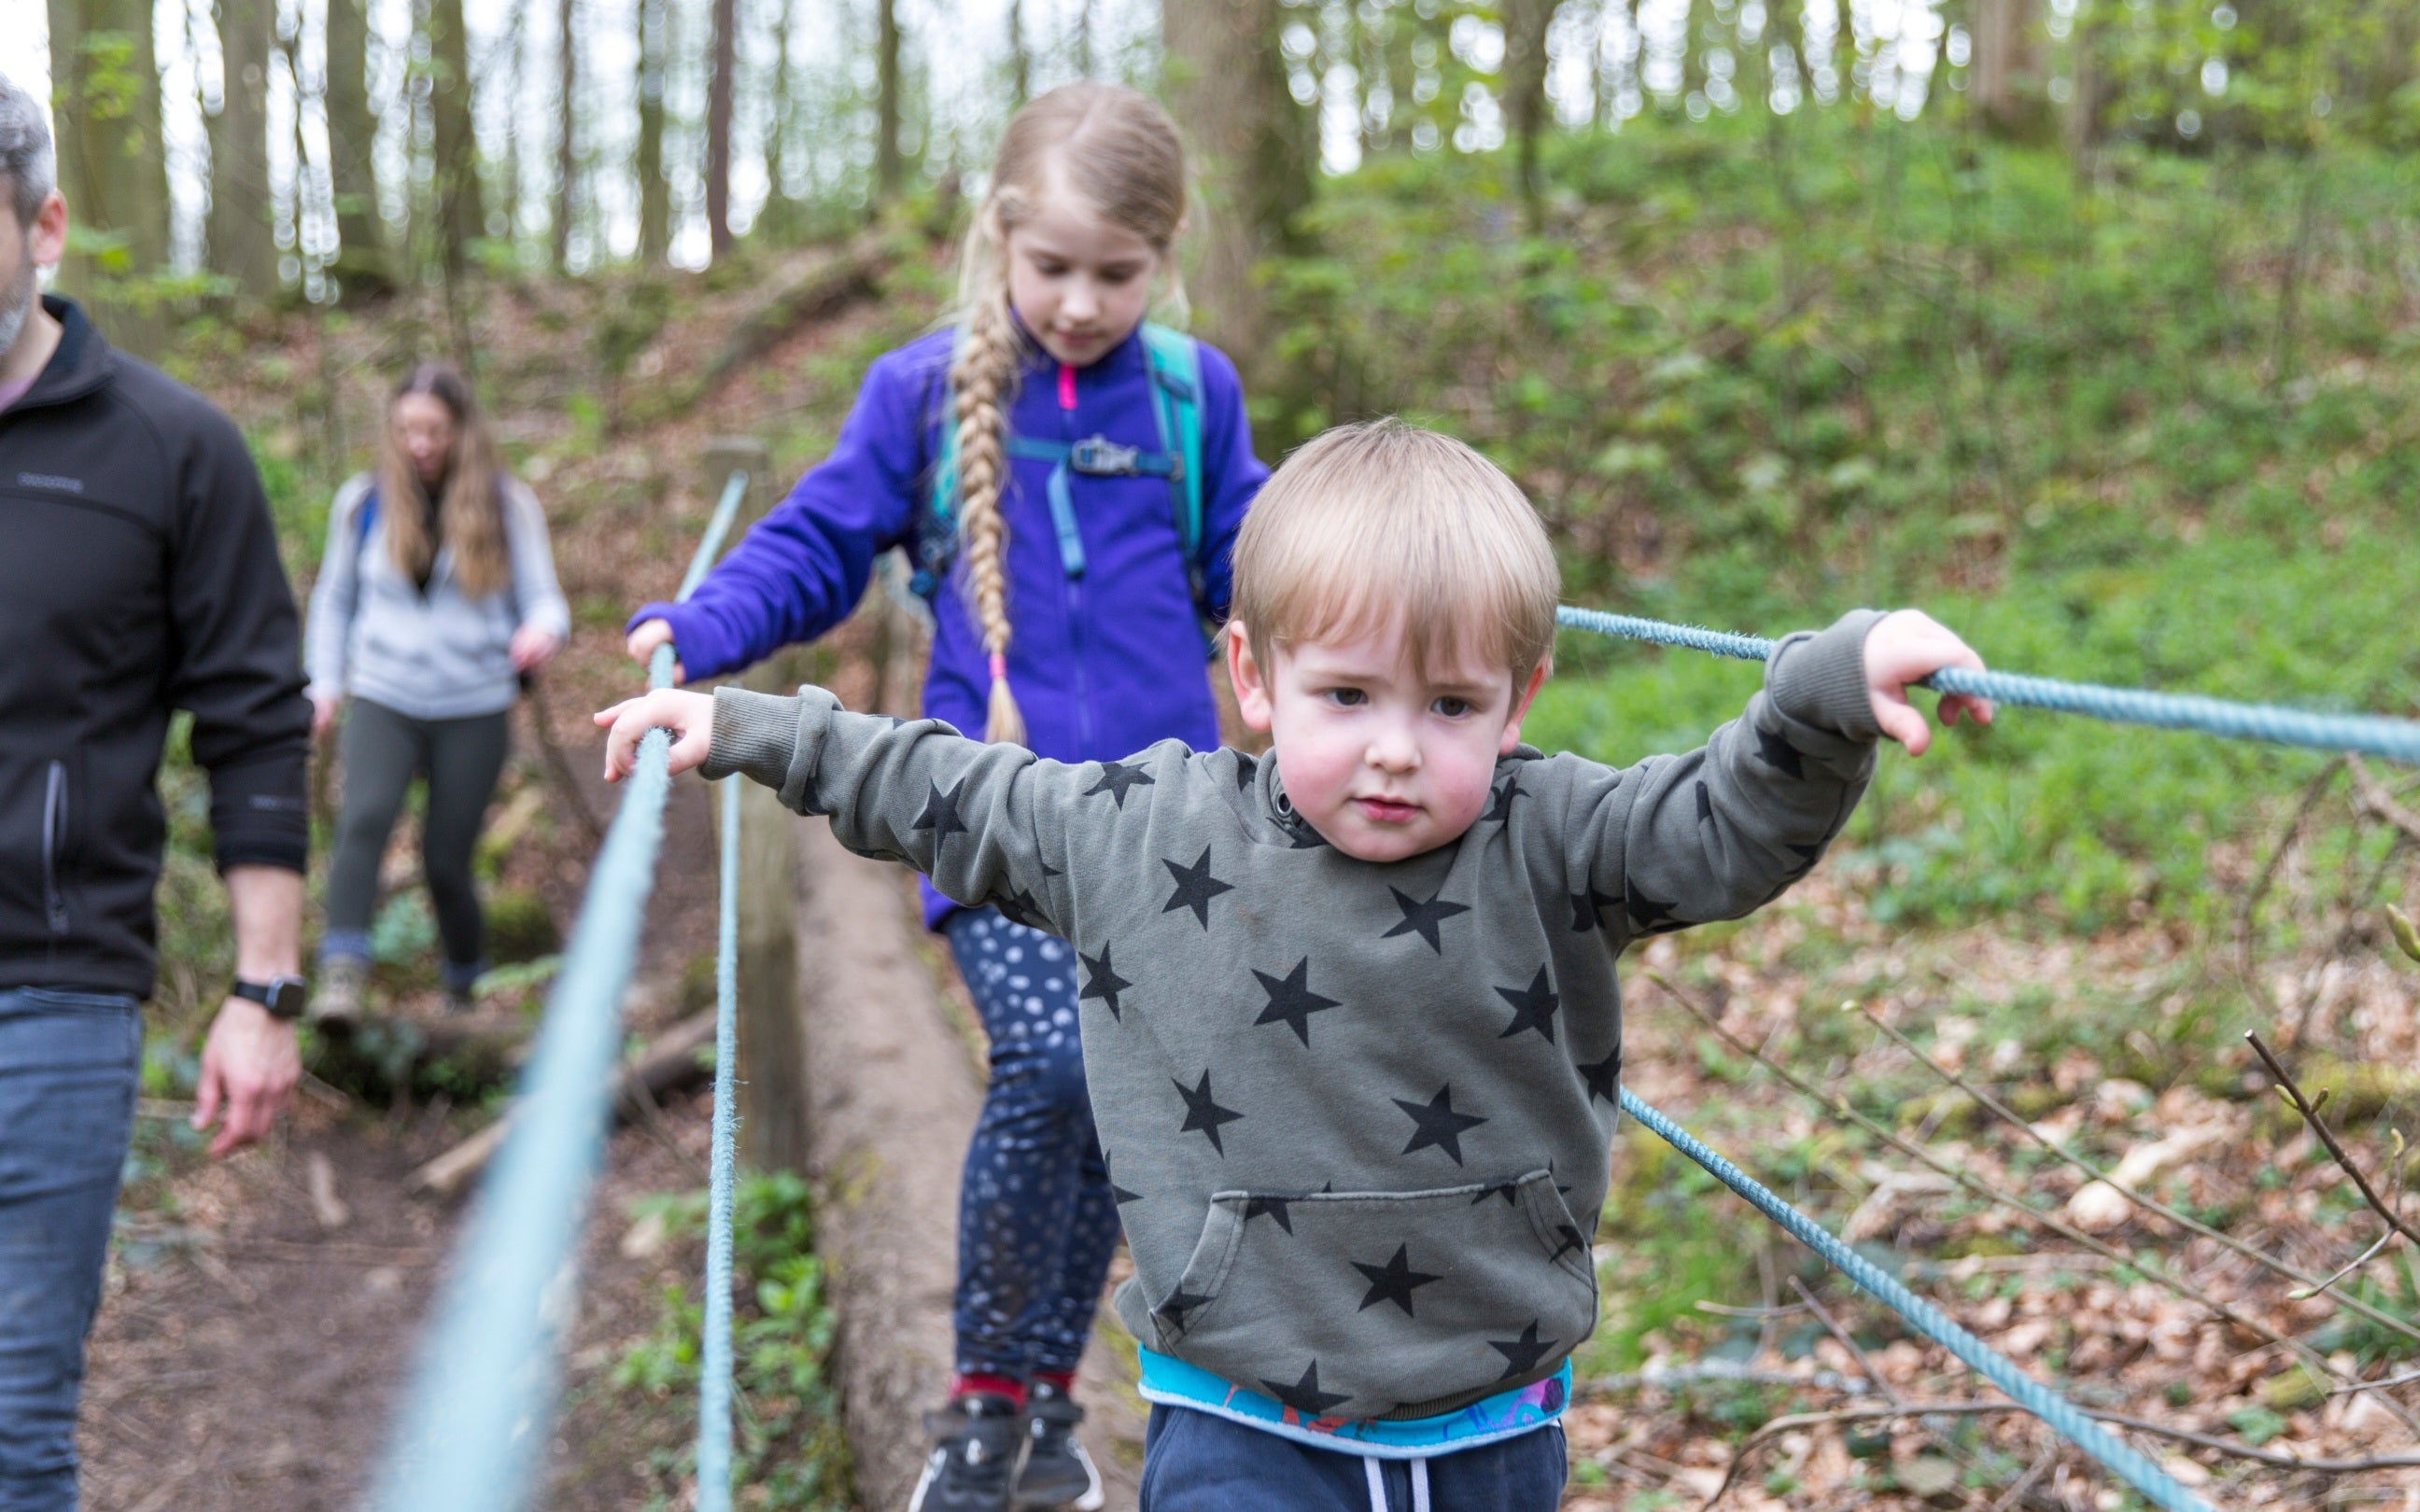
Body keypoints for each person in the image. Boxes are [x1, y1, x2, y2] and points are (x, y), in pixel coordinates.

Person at [595, 418, 1991, 1511]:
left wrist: (1826, 691)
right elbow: (946, 788)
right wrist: (752, 731)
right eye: (1347, 696)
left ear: (1522, 699)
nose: (1396, 746)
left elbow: (1721, 825)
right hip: (1240, 1423)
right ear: (1254, 676)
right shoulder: (1141, 835)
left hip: (1496, 1427)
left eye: (1450, 705)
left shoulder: (1558, 837)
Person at [623, 82, 1268, 1511]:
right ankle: (978, 1403)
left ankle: (1047, 1407)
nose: (1084, 302)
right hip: (988, 816)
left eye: (1120, 273)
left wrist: (1405, 640)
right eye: (1055, 269)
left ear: (1163, 258)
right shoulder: (921, 394)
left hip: (1172, 837)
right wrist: (702, 630)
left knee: (1127, 1106)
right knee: (1051, 1064)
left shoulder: (1189, 396)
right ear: (1001, 239)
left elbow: (1263, 574)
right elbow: (818, 538)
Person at [0, 72, 312, 1511]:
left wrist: (262, 992)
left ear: (44, 224)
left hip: (49, 994)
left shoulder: (173, 451)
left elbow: (253, 728)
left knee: (11, 1432)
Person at [304, 363, 570, 1019]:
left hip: (473, 701)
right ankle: (341, 976)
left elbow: (546, 601)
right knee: (363, 822)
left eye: (434, 431)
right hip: (383, 691)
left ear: (460, 431)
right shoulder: (361, 504)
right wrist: (324, 684)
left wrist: (539, 633)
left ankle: (465, 987)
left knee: (446, 858)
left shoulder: (509, 505)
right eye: (406, 431)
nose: (419, 444)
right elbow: (334, 600)